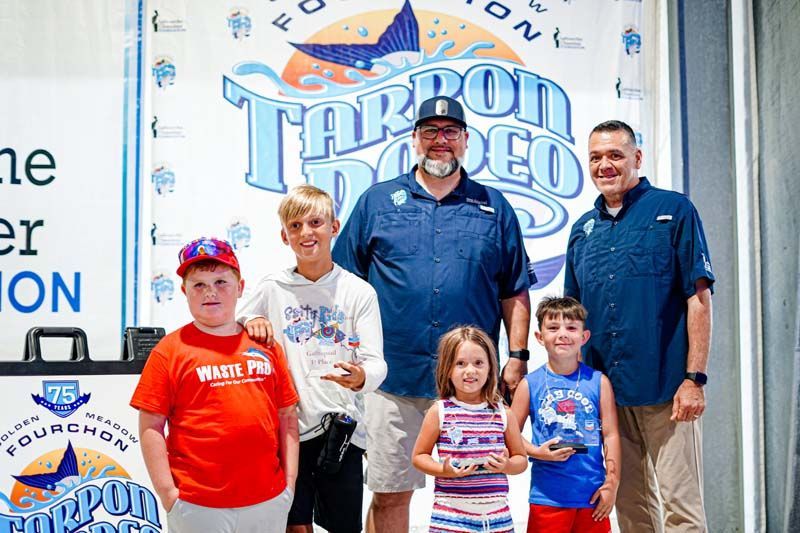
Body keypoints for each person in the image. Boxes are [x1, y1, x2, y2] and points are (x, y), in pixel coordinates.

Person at [333, 95, 535, 532]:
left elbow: (514, 289)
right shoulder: (377, 202)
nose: (440, 140)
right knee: (390, 493)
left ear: (465, 140)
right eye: (430, 131)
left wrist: (517, 357)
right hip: (395, 378)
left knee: (478, 491)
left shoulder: (494, 206)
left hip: (472, 384)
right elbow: (342, 284)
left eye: (450, 132)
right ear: (414, 139)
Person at [564, 120, 715, 532]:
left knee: (682, 508)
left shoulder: (674, 211)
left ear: (637, 158)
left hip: (668, 389)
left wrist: (694, 379)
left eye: (615, 155)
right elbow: (572, 319)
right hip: (608, 395)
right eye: (595, 157)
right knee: (631, 510)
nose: (605, 165)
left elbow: (699, 300)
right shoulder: (582, 231)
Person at [236, 185, 387, 533]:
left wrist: (362, 376)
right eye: (295, 226)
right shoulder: (272, 287)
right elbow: (235, 321)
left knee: (343, 527)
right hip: (287, 431)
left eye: (315, 222)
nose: (306, 232)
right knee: (295, 526)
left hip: (342, 431)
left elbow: (377, 362)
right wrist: (251, 319)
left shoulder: (359, 291)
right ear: (284, 236)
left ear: (334, 227)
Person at [130, 237, 299, 533]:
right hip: (197, 504)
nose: (210, 292)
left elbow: (287, 415)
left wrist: (289, 483)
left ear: (240, 287)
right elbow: (151, 425)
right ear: (184, 291)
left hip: (268, 499)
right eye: (199, 284)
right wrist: (168, 493)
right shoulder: (169, 351)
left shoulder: (266, 346)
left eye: (221, 282)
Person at [511, 296, 621, 533]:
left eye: (571, 328)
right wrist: (536, 452)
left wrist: (612, 483)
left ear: (584, 336)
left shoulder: (599, 382)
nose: (562, 334)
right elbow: (509, 434)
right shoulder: (529, 384)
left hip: (593, 497)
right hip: (547, 498)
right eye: (553, 328)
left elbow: (611, 435)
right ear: (539, 337)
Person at [412, 326, 527, 533]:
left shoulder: (503, 413)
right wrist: (443, 470)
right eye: (460, 363)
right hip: (450, 515)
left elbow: (521, 459)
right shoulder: (439, 411)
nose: (470, 371)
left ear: (490, 367)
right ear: (447, 369)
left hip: (497, 516)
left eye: (479, 363)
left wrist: (507, 465)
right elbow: (419, 456)